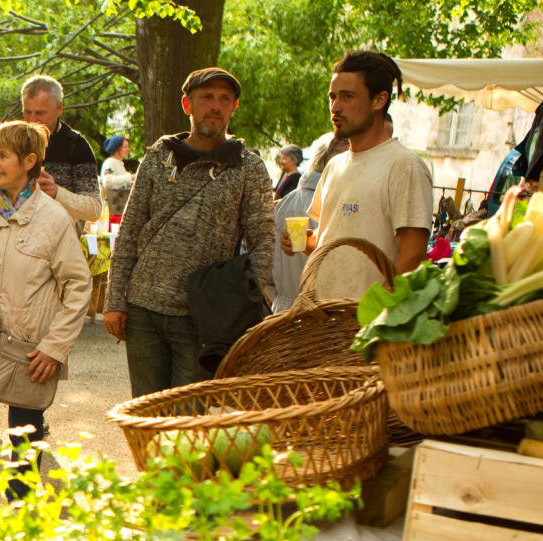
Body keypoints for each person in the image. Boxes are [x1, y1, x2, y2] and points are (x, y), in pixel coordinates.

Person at [103, 67, 275, 398]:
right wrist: (114, 301)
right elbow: (130, 230)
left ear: (233, 108)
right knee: (147, 416)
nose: (216, 106)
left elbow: (263, 242)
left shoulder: (247, 167)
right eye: (207, 97)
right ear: (187, 105)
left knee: (187, 427)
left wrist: (237, 306)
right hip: (144, 311)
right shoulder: (158, 157)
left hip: (202, 321)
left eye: (225, 99)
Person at [0, 120, 91, 508]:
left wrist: (55, 348)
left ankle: (20, 520)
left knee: (24, 438)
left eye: (2, 155)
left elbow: (79, 286)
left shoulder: (55, 218)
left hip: (31, 352)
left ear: (29, 161)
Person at [283, 51, 433, 302]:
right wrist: (299, 242)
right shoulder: (334, 166)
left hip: (365, 329)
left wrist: (370, 316)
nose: (335, 107)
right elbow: (326, 241)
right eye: (332, 97)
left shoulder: (405, 166)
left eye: (347, 97)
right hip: (323, 322)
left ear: (379, 100)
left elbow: (412, 257)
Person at [270, 137, 347, 312]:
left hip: (282, 314)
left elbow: (268, 272)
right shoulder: (335, 205)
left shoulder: (283, 204)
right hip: (323, 314)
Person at [19, 74, 102, 225]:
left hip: (60, 245)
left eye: (40, 113)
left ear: (59, 107)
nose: (32, 120)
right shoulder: (12, 142)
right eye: (27, 112)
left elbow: (94, 210)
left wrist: (57, 193)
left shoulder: (76, 145)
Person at [101, 135, 134, 221]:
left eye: (128, 147)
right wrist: (129, 177)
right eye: (125, 147)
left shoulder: (121, 165)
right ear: (116, 148)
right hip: (109, 212)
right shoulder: (110, 162)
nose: (128, 149)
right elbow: (107, 182)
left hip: (119, 210)